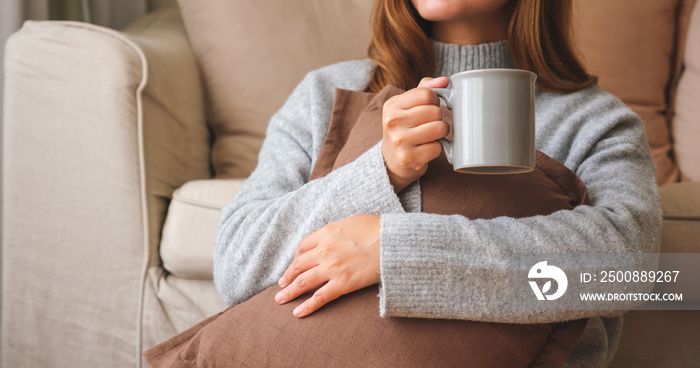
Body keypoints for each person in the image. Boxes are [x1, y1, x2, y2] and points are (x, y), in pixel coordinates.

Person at [213, 0, 661, 366]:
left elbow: (628, 274)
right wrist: (380, 171)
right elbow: (235, 263)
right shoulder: (325, 93)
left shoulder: (596, 121)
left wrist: (394, 250)